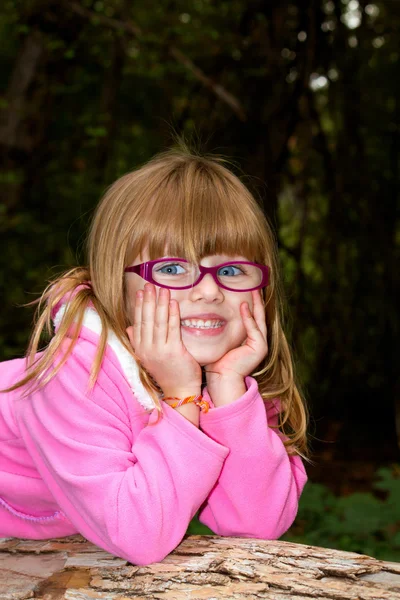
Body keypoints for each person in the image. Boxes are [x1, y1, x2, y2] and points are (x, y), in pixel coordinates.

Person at [0, 146, 308, 566]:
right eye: (172, 268)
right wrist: (182, 396)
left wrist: (228, 393)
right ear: (116, 282)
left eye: (232, 271)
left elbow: (258, 525)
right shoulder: (72, 373)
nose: (209, 290)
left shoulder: (225, 375)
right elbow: (139, 536)